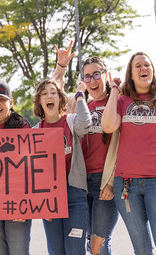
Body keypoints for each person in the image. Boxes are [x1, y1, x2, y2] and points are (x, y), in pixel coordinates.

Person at [101, 52, 156, 255]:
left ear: (153, 70)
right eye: (137, 66)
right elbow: (108, 126)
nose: (143, 68)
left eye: (147, 65)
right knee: (141, 249)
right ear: (130, 73)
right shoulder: (121, 100)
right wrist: (113, 90)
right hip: (126, 185)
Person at [52, 47, 120, 255]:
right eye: (87, 76)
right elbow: (51, 94)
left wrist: (111, 181)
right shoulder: (79, 103)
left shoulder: (118, 100)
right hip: (79, 183)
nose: (92, 81)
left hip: (104, 182)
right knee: (84, 241)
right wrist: (61, 66)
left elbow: (124, 145)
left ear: (105, 75)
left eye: (97, 74)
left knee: (98, 244)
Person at [33, 78, 91, 255]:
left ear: (60, 98)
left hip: (74, 192)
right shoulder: (35, 131)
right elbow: (31, 171)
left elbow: (86, 123)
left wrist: (80, 95)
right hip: (49, 197)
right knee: (56, 251)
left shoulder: (71, 121)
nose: (49, 96)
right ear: (40, 101)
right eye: (44, 94)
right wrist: (41, 203)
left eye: (53, 92)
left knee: (75, 249)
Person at [0, 80, 32, 255]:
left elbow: (30, 168)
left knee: (18, 250)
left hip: (18, 201)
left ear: (10, 103)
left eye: (2, 99)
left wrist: (26, 202)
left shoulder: (23, 127)